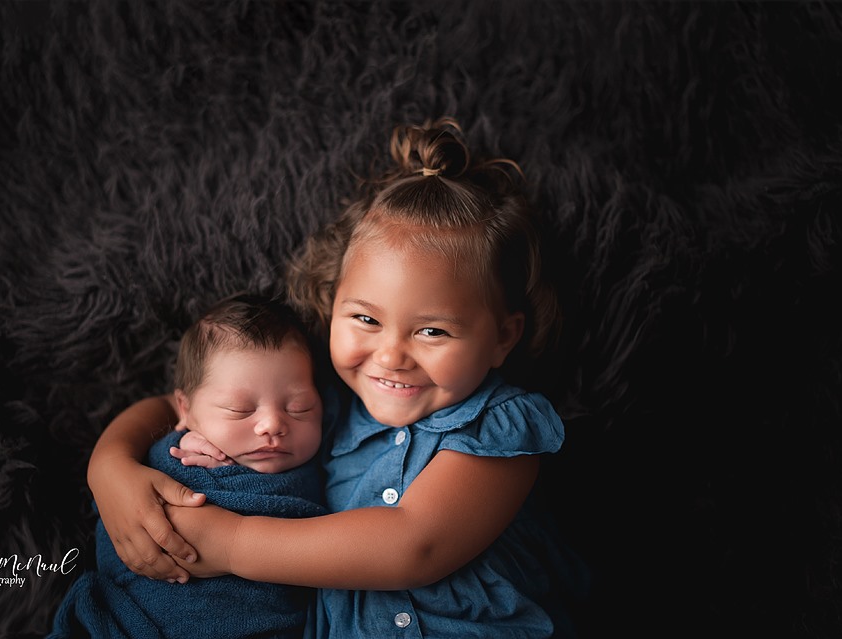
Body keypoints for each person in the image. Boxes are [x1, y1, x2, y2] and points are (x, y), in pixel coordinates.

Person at [87, 117, 586, 638]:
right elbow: (175, 406)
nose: (391, 356)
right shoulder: (316, 403)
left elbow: (415, 545)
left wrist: (232, 542)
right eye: (367, 320)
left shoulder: (501, 428)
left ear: (503, 337)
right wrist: (110, 468)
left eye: (433, 331)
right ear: (331, 305)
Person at [49, 294, 327, 639]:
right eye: (240, 410)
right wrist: (126, 463)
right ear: (185, 409)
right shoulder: (171, 457)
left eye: (299, 408)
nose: (272, 424)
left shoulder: (327, 461)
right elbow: (120, 524)